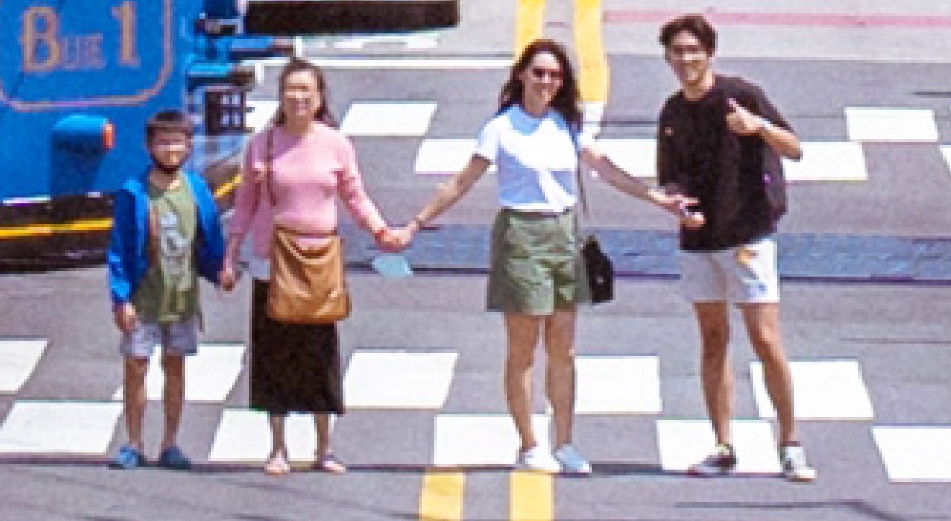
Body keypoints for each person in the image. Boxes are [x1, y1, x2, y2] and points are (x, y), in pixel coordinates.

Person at [402, 37, 689, 476]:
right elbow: (461, 181)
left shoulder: (566, 126)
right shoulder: (502, 127)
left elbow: (606, 169)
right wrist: (416, 223)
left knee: (564, 347)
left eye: (554, 75)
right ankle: (529, 443)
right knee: (523, 349)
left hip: (564, 233)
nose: (546, 82)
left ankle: (565, 442)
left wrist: (658, 200)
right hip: (521, 234)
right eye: (538, 73)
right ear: (521, 76)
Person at [220, 58, 410, 475]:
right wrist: (230, 256)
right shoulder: (263, 144)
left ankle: (324, 447)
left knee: (320, 352)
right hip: (273, 261)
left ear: (320, 98)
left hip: (320, 261)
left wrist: (382, 231)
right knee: (274, 352)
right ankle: (278, 447)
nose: (298, 98)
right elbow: (246, 204)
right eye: (291, 90)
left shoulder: (336, 144)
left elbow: (355, 196)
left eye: (307, 91)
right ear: (281, 96)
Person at [652, 13, 817, 482]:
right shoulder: (672, 111)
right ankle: (723, 444)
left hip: (748, 233)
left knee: (765, 339)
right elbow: (669, 177)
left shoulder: (740, 95)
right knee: (713, 339)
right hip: (698, 238)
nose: (686, 59)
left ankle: (790, 442)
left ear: (709, 53)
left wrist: (756, 126)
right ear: (667, 57)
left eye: (693, 51)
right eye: (677, 52)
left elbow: (794, 147)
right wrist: (678, 204)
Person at [106, 109, 225, 471]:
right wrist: (120, 297)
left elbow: (211, 236)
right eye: (163, 142)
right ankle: (134, 442)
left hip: (182, 295)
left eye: (178, 141)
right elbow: (119, 248)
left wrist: (220, 271)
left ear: (189, 145)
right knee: (136, 366)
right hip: (145, 296)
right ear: (149, 147)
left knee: (175, 367)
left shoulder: (196, 188)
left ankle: (170, 442)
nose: (171, 149)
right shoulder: (134, 192)